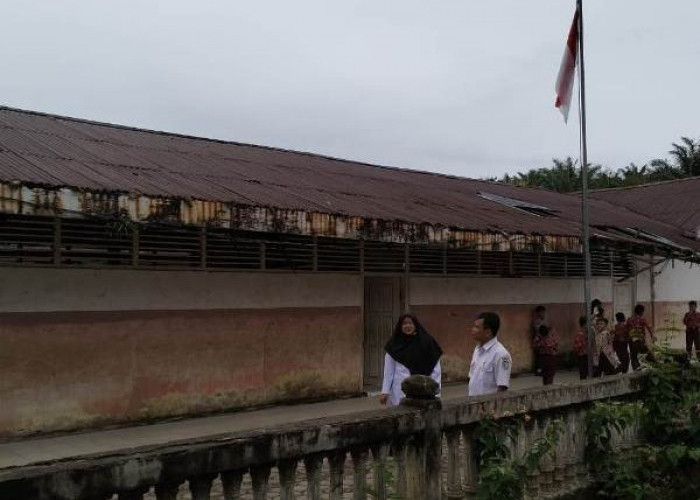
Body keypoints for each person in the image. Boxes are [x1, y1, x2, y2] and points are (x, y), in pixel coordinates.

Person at [379, 313, 443, 406]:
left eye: (410, 323)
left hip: (424, 390)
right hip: (400, 390)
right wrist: (385, 391)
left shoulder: (427, 343)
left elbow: (436, 369)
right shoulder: (393, 345)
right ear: (400, 326)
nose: (407, 326)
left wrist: (437, 390)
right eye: (404, 323)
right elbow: (389, 371)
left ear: (415, 325)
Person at [468, 312, 512, 397]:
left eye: (477, 327)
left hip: (488, 407)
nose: (472, 329)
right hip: (473, 403)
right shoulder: (478, 349)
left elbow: (502, 388)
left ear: (488, 332)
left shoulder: (501, 354)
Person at [627, 304, 656, 371]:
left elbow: (626, 329)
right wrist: (652, 336)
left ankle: (636, 369)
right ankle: (651, 359)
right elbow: (649, 328)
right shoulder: (642, 319)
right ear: (641, 312)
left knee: (633, 355)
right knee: (646, 351)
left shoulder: (629, 319)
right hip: (639, 340)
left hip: (631, 340)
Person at [532, 305, 548, 375]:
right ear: (538, 313)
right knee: (539, 357)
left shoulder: (543, 320)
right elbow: (538, 330)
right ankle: (538, 370)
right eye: (542, 312)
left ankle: (541, 369)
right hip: (538, 341)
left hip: (543, 341)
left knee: (542, 356)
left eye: (544, 312)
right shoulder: (536, 321)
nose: (543, 314)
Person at [573, 316, 589, 380]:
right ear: (585, 324)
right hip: (583, 355)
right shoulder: (581, 334)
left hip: (585, 355)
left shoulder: (586, 332)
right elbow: (577, 346)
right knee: (583, 373)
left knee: (584, 373)